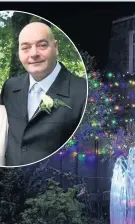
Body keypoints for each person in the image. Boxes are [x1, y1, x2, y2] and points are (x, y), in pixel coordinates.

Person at [0, 22, 87, 167]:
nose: (33, 54)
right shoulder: (10, 87)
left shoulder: (82, 92)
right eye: (25, 48)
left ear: (56, 47)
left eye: (42, 45)